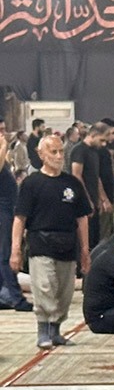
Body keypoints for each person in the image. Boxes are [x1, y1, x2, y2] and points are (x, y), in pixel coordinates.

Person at [10, 135, 92, 349]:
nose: (58, 156)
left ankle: (56, 330)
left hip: (67, 243)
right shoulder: (31, 183)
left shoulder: (72, 183)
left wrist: (85, 250)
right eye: (53, 152)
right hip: (40, 242)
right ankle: (43, 330)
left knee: (64, 292)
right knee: (44, 287)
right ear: (41, 155)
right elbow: (20, 218)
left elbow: (82, 218)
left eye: (61, 151)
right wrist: (15, 250)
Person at [67, 122, 114, 247]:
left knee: (94, 240)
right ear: (93, 135)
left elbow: (96, 177)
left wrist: (103, 199)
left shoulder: (94, 152)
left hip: (93, 203)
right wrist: (87, 200)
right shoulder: (79, 150)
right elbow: (76, 176)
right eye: (102, 140)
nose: (103, 144)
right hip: (82, 203)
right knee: (84, 242)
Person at [0, 132, 32, 311]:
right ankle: (16, 298)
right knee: (6, 255)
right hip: (2, 210)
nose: (3, 134)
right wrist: (4, 146)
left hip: (7, 208)